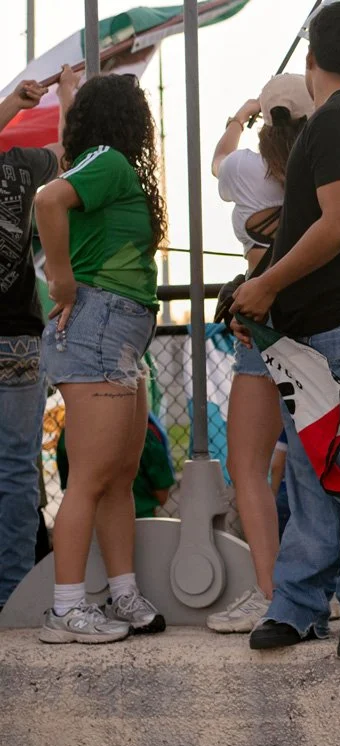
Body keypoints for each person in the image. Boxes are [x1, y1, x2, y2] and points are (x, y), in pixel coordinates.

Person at [229, 1, 340, 658]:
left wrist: (267, 285)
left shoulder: (336, 120)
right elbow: (313, 227)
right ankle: (299, 603)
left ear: (310, 55)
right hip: (319, 335)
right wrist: (256, 299)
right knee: (309, 476)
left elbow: (339, 223)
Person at [35, 69, 167, 643]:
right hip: (100, 325)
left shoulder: (101, 165)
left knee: (118, 475)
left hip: (122, 331)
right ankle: (66, 609)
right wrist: (61, 280)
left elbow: (62, 184)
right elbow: (47, 199)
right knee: (92, 476)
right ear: (131, 120)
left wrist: (69, 96)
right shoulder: (111, 161)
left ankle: (122, 593)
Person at [206, 74, 311, 634]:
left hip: (262, 319)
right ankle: (325, 586)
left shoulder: (247, 168)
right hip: (318, 315)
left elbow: (217, 162)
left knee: (248, 464)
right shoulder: (324, 167)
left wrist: (238, 117)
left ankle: (273, 592)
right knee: (318, 458)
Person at [0, 77, 64, 612]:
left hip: (18, 340)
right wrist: (69, 95)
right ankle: (13, 595)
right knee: (17, 469)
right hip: (18, 338)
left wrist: (11, 106)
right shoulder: (21, 167)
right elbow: (70, 152)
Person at [57, 411, 175, 517]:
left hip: (86, 519)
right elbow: (162, 493)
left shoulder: (69, 434)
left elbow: (68, 486)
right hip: (140, 517)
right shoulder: (141, 432)